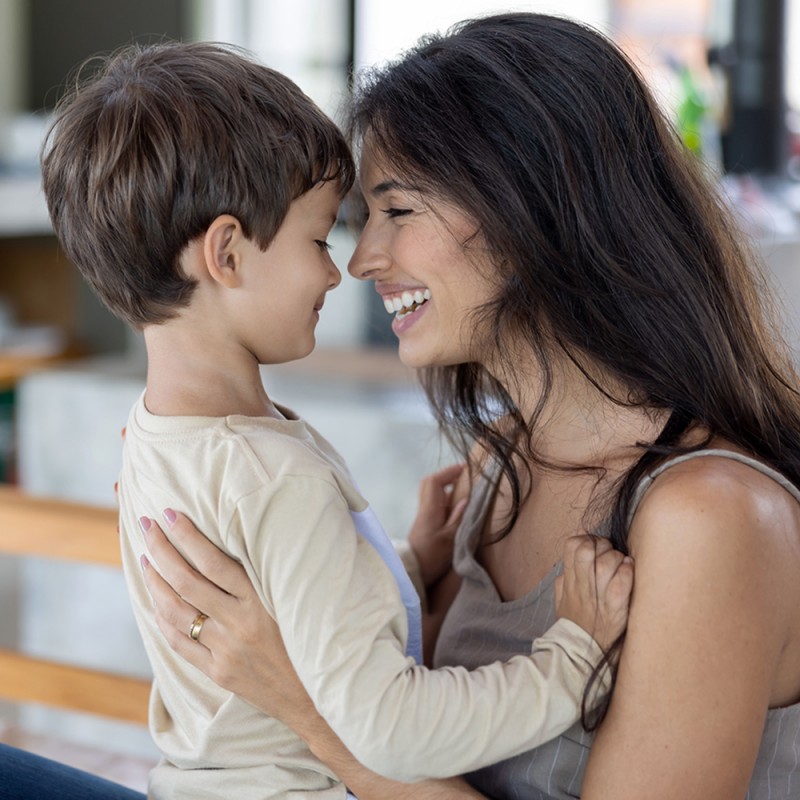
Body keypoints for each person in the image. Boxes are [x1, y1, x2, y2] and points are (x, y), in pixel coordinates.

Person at [133, 12, 800, 800]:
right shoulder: (495, 470)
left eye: (398, 212)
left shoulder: (709, 519)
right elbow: (417, 709)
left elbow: (369, 727)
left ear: (533, 208)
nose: (362, 259)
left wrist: (304, 708)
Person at [4, 38, 633, 800]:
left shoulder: (157, 435)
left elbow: (294, 607)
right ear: (227, 254)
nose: (342, 268)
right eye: (317, 236)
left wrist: (408, 563)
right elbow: (392, 728)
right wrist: (571, 657)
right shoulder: (274, 473)